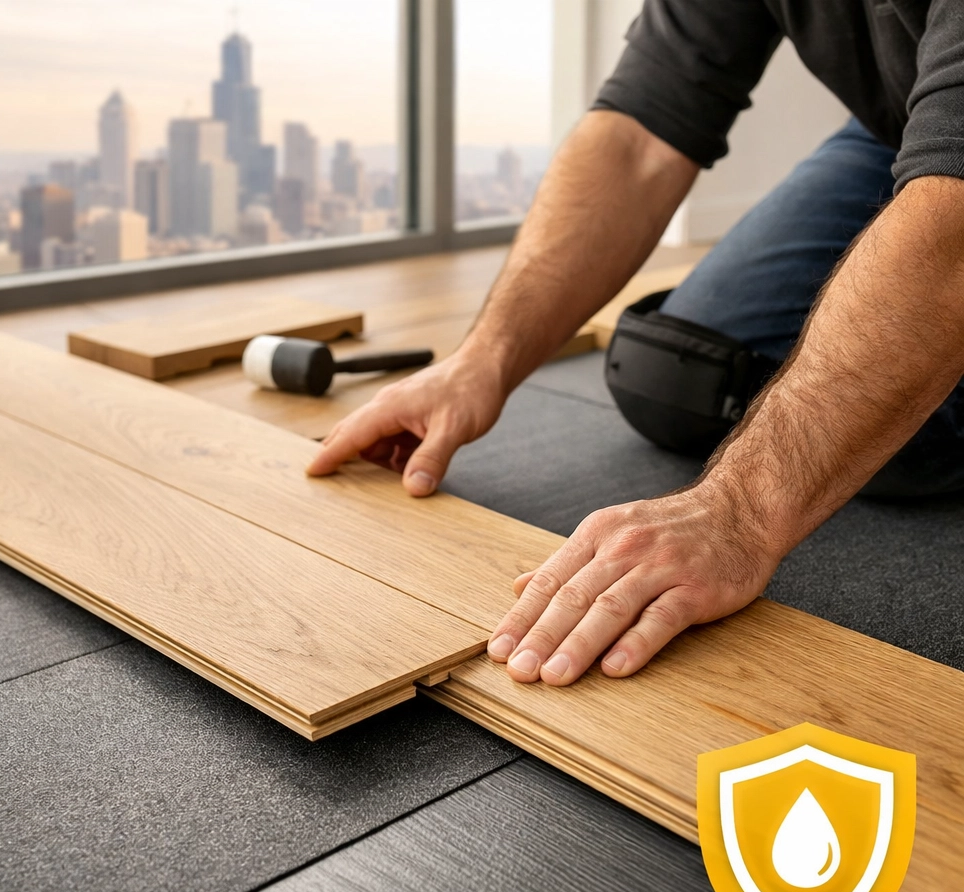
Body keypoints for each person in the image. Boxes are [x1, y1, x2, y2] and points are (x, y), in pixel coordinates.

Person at [308, 0, 964, 689]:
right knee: (680, 378)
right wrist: (481, 361)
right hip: (900, 124)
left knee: (897, 440)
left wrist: (741, 511)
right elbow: (639, 136)